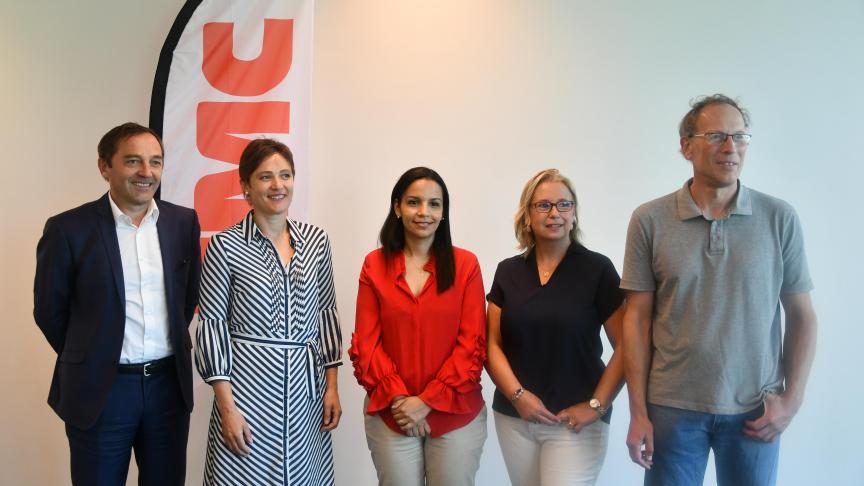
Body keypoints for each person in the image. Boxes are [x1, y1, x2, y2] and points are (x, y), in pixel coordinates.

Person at [621, 94, 818, 486]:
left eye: (740, 136)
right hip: (671, 408)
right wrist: (638, 411)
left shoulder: (779, 218)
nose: (731, 148)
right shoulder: (650, 220)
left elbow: (803, 315)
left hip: (754, 409)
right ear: (686, 146)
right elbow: (636, 319)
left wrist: (791, 401)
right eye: (716, 136)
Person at [33, 122, 201, 485]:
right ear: (104, 166)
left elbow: (187, 298)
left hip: (167, 388)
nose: (146, 172)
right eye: (133, 161)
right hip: (101, 391)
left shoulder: (181, 222)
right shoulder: (68, 229)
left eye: (155, 162)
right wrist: (92, 351)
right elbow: (49, 311)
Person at [195, 138, 343, 485]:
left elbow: (326, 315)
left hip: (307, 394)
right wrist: (227, 410)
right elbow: (212, 326)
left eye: (285, 175)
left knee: (302, 476)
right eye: (265, 177)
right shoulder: (224, 245)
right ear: (246, 187)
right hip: (246, 393)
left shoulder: (317, 241)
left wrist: (332, 387)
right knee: (241, 475)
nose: (278, 185)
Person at [486, 169, 626, 486]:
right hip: (514, 417)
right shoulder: (508, 271)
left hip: (575, 422)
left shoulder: (597, 269)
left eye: (564, 205)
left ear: (574, 214)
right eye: (543, 205)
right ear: (527, 215)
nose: (555, 214)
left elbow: (627, 346)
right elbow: (491, 345)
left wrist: (596, 406)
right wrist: (518, 396)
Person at [349, 167, 487, 486]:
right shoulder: (374, 264)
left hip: (456, 414)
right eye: (414, 202)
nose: (424, 212)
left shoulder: (466, 265)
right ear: (397, 208)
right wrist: (401, 400)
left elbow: (473, 344)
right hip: (392, 412)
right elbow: (367, 344)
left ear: (444, 213)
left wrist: (425, 402)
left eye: (434, 204)